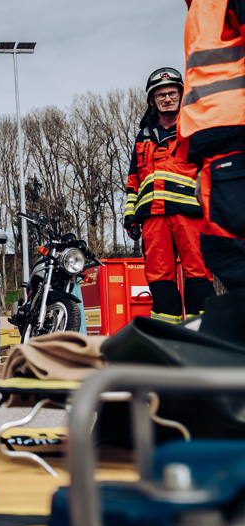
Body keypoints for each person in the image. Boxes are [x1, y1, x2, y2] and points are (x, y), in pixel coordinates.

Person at [123, 67, 215, 323]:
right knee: (158, 277)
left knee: (198, 272)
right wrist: (131, 217)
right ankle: (167, 338)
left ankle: (202, 335)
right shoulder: (143, 137)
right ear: (152, 100)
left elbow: (210, 171)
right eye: (161, 95)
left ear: (181, 95)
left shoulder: (196, 130)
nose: (167, 99)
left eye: (172, 93)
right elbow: (134, 182)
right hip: (153, 218)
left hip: (191, 216)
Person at [180, 0, 245, 291]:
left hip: (233, 133)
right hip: (216, 140)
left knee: (233, 247)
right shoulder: (202, 6)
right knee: (226, 247)